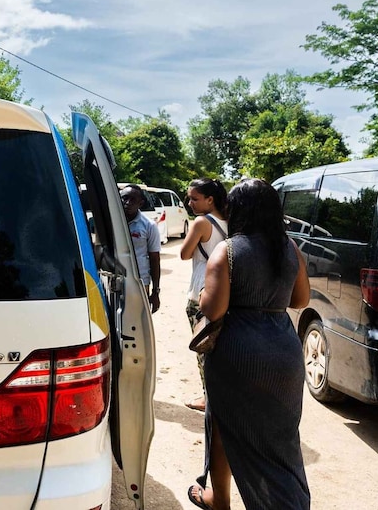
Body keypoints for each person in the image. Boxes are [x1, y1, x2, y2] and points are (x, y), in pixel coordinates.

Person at [187, 179, 312, 510]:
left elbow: (213, 310)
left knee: (222, 421)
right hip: (284, 351)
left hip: (237, 351)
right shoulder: (290, 249)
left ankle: (219, 499)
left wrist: (203, 295)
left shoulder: (227, 251)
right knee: (281, 435)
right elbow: (300, 300)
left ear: (236, 210)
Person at [179, 178, 228, 412]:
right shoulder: (231, 221)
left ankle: (209, 398)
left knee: (202, 348)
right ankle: (220, 394)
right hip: (223, 293)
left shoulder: (201, 222)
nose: (190, 203)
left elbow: (184, 253)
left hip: (200, 292)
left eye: (194, 198)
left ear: (210, 199)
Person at [121, 184, 161, 312]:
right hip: (116, 280)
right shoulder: (111, 222)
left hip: (139, 282)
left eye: (133, 200)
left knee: (138, 320)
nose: (128, 203)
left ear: (141, 203)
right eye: (125, 198)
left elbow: (155, 258)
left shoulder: (149, 226)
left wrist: (155, 292)